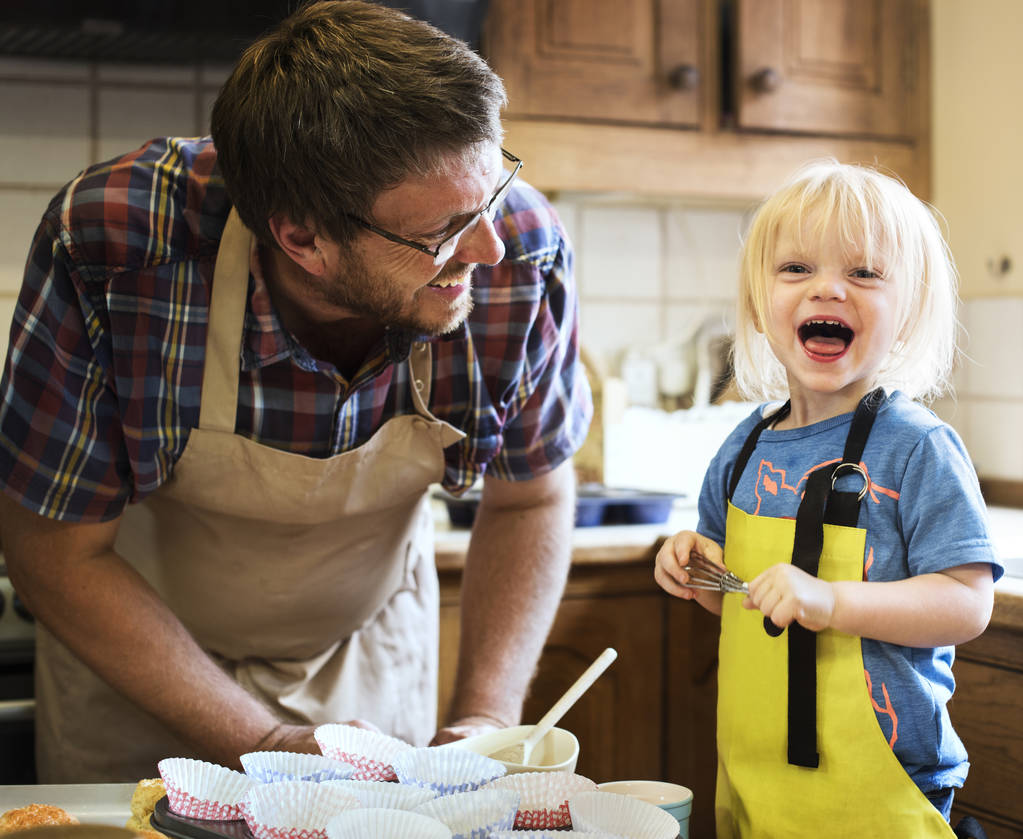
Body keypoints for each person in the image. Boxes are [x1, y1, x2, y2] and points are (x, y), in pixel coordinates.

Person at [0, 0, 591, 782]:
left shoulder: (518, 256)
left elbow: (531, 500)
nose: (487, 246)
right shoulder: (117, 246)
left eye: (494, 192)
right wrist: (262, 739)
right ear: (302, 238)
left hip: (363, 653)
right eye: (442, 232)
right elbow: (52, 548)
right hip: (137, 666)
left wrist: (485, 717)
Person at [654, 160, 1002, 838]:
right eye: (794, 269)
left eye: (864, 273)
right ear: (757, 304)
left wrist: (831, 600)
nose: (827, 289)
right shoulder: (742, 448)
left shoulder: (915, 448)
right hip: (756, 780)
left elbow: (967, 601)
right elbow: (734, 595)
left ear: (907, 313)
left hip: (883, 793)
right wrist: (692, 565)